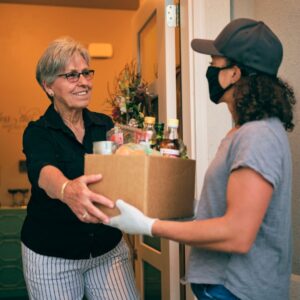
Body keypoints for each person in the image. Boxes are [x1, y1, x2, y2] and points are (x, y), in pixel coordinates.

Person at [106, 18, 296, 300]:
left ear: (234, 74)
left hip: (237, 291)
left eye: (214, 63)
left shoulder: (258, 135)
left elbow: (237, 233)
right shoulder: (244, 131)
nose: (209, 71)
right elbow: (225, 209)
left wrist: (149, 227)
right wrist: (166, 204)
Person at [21, 37, 139, 300]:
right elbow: (44, 172)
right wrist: (67, 189)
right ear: (48, 85)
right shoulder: (38, 132)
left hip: (108, 248)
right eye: (72, 75)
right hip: (52, 255)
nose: (84, 82)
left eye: (86, 73)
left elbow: (123, 168)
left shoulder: (104, 125)